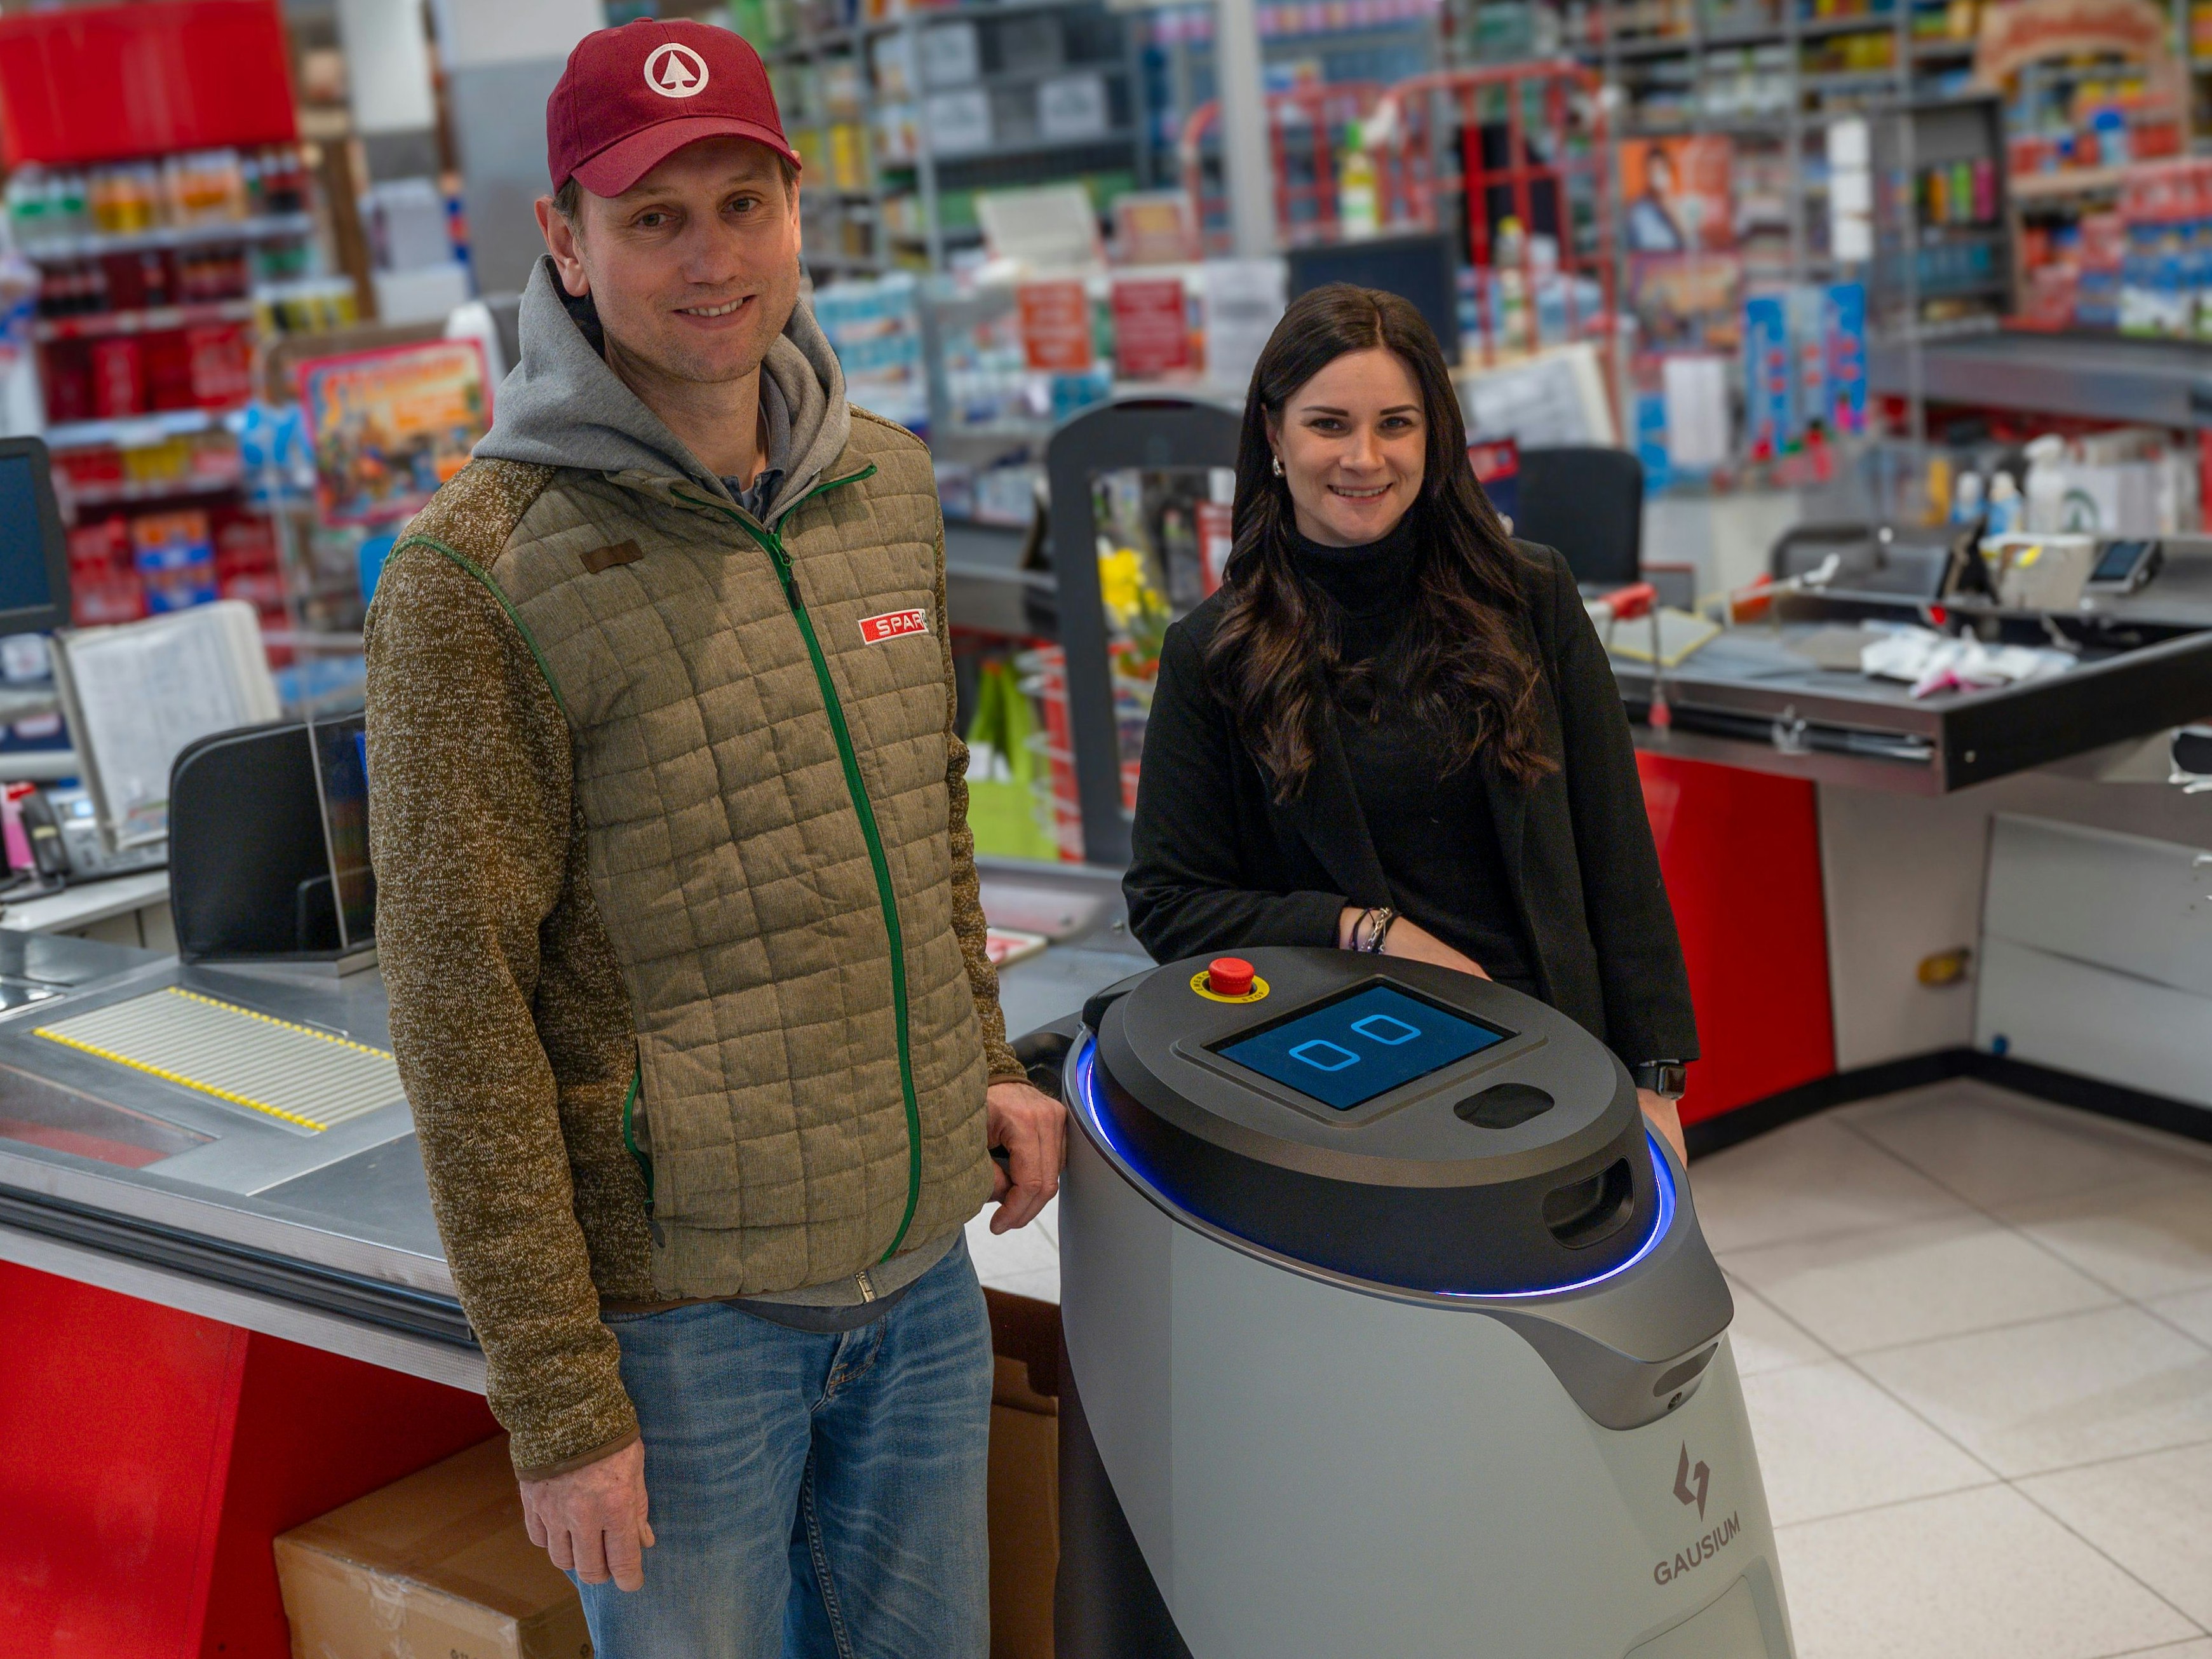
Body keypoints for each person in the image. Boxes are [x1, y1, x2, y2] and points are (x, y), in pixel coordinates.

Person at [362, 20, 1063, 1657]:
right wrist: (557, 1400)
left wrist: (976, 1059)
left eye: (743, 204)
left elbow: (921, 826)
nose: (711, 259)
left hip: (918, 1278)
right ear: (565, 240)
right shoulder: (475, 577)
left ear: (797, 212)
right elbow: (460, 1015)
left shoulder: (885, 487)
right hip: (682, 1338)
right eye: (654, 218)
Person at [1123, 283, 1697, 1160]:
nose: (1363, 458)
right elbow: (1169, 903)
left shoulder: (1529, 595)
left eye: (1395, 424)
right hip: (1349, 1075)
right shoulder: (1214, 652)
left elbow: (1616, 850)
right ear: (1273, 434)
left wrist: (1656, 1080)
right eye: (1328, 425)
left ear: (1435, 435)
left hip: (1553, 1048)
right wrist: (1366, 929)